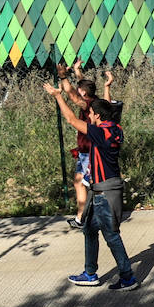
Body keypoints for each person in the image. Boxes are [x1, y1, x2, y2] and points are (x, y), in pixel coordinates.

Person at [45, 85, 138, 292]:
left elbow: (71, 120)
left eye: (91, 114)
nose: (89, 116)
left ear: (97, 115)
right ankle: (90, 274)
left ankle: (128, 278)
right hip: (100, 190)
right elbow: (108, 110)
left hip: (106, 192)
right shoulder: (116, 128)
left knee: (111, 235)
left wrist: (58, 96)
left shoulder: (101, 132)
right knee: (89, 228)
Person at [56, 60, 113, 229]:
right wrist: (76, 71)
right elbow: (83, 86)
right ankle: (84, 216)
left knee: (86, 184)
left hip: (89, 151)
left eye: (79, 89)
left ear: (83, 93)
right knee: (79, 182)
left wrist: (63, 77)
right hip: (84, 151)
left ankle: (84, 218)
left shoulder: (86, 105)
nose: (77, 90)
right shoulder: (96, 101)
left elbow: (72, 95)